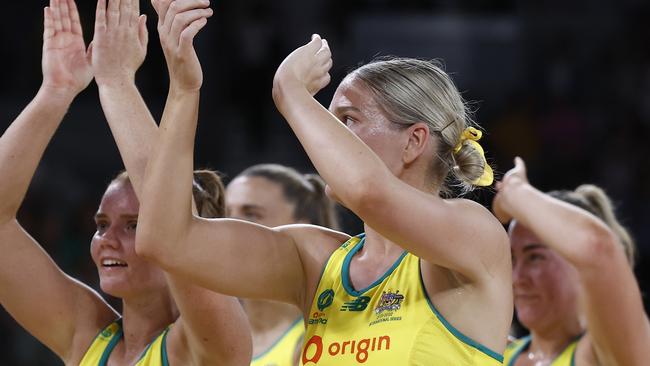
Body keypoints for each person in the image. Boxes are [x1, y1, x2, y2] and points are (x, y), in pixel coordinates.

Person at [134, 33, 512, 365]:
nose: (325, 141)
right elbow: (165, 239)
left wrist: (290, 91)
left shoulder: (473, 232)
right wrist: (184, 91)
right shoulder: (316, 259)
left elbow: (369, 192)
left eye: (346, 121)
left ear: (413, 142)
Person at [0, 0, 251, 364]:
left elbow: (174, 224)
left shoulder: (206, 348)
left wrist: (117, 83)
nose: (107, 241)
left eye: (133, 226)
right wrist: (56, 91)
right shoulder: (86, 336)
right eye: (102, 225)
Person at [493, 157, 650, 366]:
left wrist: (515, 191)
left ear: (578, 262)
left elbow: (598, 248)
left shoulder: (605, 355)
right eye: (512, 260)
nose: (517, 278)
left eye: (535, 257)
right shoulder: (497, 353)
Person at [227, 164, 339, 366]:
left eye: (251, 214)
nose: (230, 225)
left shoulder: (318, 339)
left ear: (302, 229)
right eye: (225, 213)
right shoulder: (203, 333)